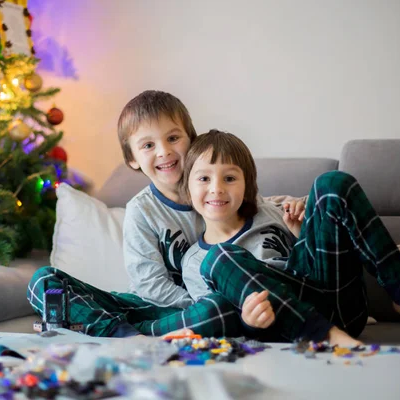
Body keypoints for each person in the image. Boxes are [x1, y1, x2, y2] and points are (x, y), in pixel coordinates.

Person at [27, 91, 271, 337]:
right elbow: (149, 285)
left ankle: (127, 334)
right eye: (148, 145)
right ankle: (124, 335)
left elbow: (259, 210)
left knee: (219, 310)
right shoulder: (142, 210)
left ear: (192, 140)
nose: (164, 151)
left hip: (212, 311)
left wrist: (290, 206)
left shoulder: (219, 192)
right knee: (44, 281)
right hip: (149, 308)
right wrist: (197, 306)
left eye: (173, 138)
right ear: (132, 159)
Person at [180, 129, 400, 346]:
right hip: (285, 328)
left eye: (229, 178)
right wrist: (250, 321)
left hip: (337, 302)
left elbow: (317, 249)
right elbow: (219, 316)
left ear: (248, 187)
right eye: (203, 178)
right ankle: (328, 337)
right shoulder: (194, 261)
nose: (216, 189)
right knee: (220, 256)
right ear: (187, 190)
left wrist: (300, 231)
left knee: (331, 182)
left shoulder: (270, 212)